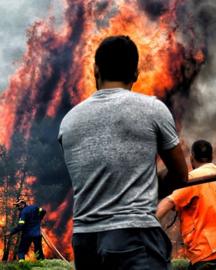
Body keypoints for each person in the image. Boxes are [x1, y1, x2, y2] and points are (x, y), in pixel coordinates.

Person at [58, 35, 188, 270]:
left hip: (85, 242)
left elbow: (93, 176)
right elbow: (181, 175)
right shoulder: (153, 109)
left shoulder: (68, 122)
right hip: (134, 236)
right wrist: (153, 184)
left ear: (95, 70)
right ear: (135, 73)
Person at [156, 140, 216, 270]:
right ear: (211, 157)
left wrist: (146, 223)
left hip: (205, 253)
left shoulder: (193, 179)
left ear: (192, 157)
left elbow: (169, 202)